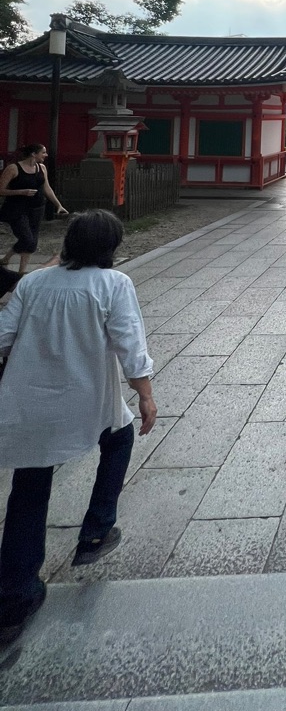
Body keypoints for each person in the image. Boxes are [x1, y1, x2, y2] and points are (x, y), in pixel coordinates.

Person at [0, 210, 156, 646]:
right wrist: (144, 393)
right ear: (111, 247)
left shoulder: (32, 284)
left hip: (30, 400)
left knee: (28, 491)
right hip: (87, 397)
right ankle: (96, 530)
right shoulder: (112, 284)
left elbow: (2, 335)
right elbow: (129, 340)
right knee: (120, 436)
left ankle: (14, 597)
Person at [0, 144, 68, 275]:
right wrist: (21, 192)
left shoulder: (41, 168)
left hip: (37, 208)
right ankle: (7, 259)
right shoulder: (14, 168)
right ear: (33, 154)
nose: (46, 155)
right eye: (43, 152)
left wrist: (58, 205)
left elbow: (47, 188)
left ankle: (21, 271)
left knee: (32, 242)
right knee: (27, 239)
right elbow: (1, 190)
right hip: (17, 209)